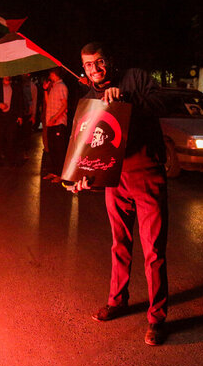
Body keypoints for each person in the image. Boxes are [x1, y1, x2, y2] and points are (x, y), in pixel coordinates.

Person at [68, 42, 169, 346]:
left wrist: (127, 99)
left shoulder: (135, 78)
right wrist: (82, 180)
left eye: (99, 62)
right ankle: (117, 300)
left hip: (147, 171)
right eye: (88, 65)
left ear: (108, 60)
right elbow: (87, 148)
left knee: (153, 250)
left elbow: (161, 103)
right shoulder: (88, 99)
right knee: (119, 243)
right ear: (83, 68)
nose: (95, 69)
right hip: (115, 179)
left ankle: (156, 317)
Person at [42, 68, 69, 182]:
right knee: (52, 148)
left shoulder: (62, 86)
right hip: (51, 122)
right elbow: (48, 103)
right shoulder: (54, 86)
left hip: (58, 123)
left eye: (51, 73)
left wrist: (55, 117)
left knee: (59, 150)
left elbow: (64, 105)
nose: (49, 75)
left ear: (54, 74)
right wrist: (45, 90)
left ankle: (61, 174)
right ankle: (54, 172)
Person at [0, 76, 24, 165]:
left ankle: (10, 159)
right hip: (0, 116)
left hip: (11, 116)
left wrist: (20, 116)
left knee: (11, 138)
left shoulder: (16, 87)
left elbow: (20, 101)